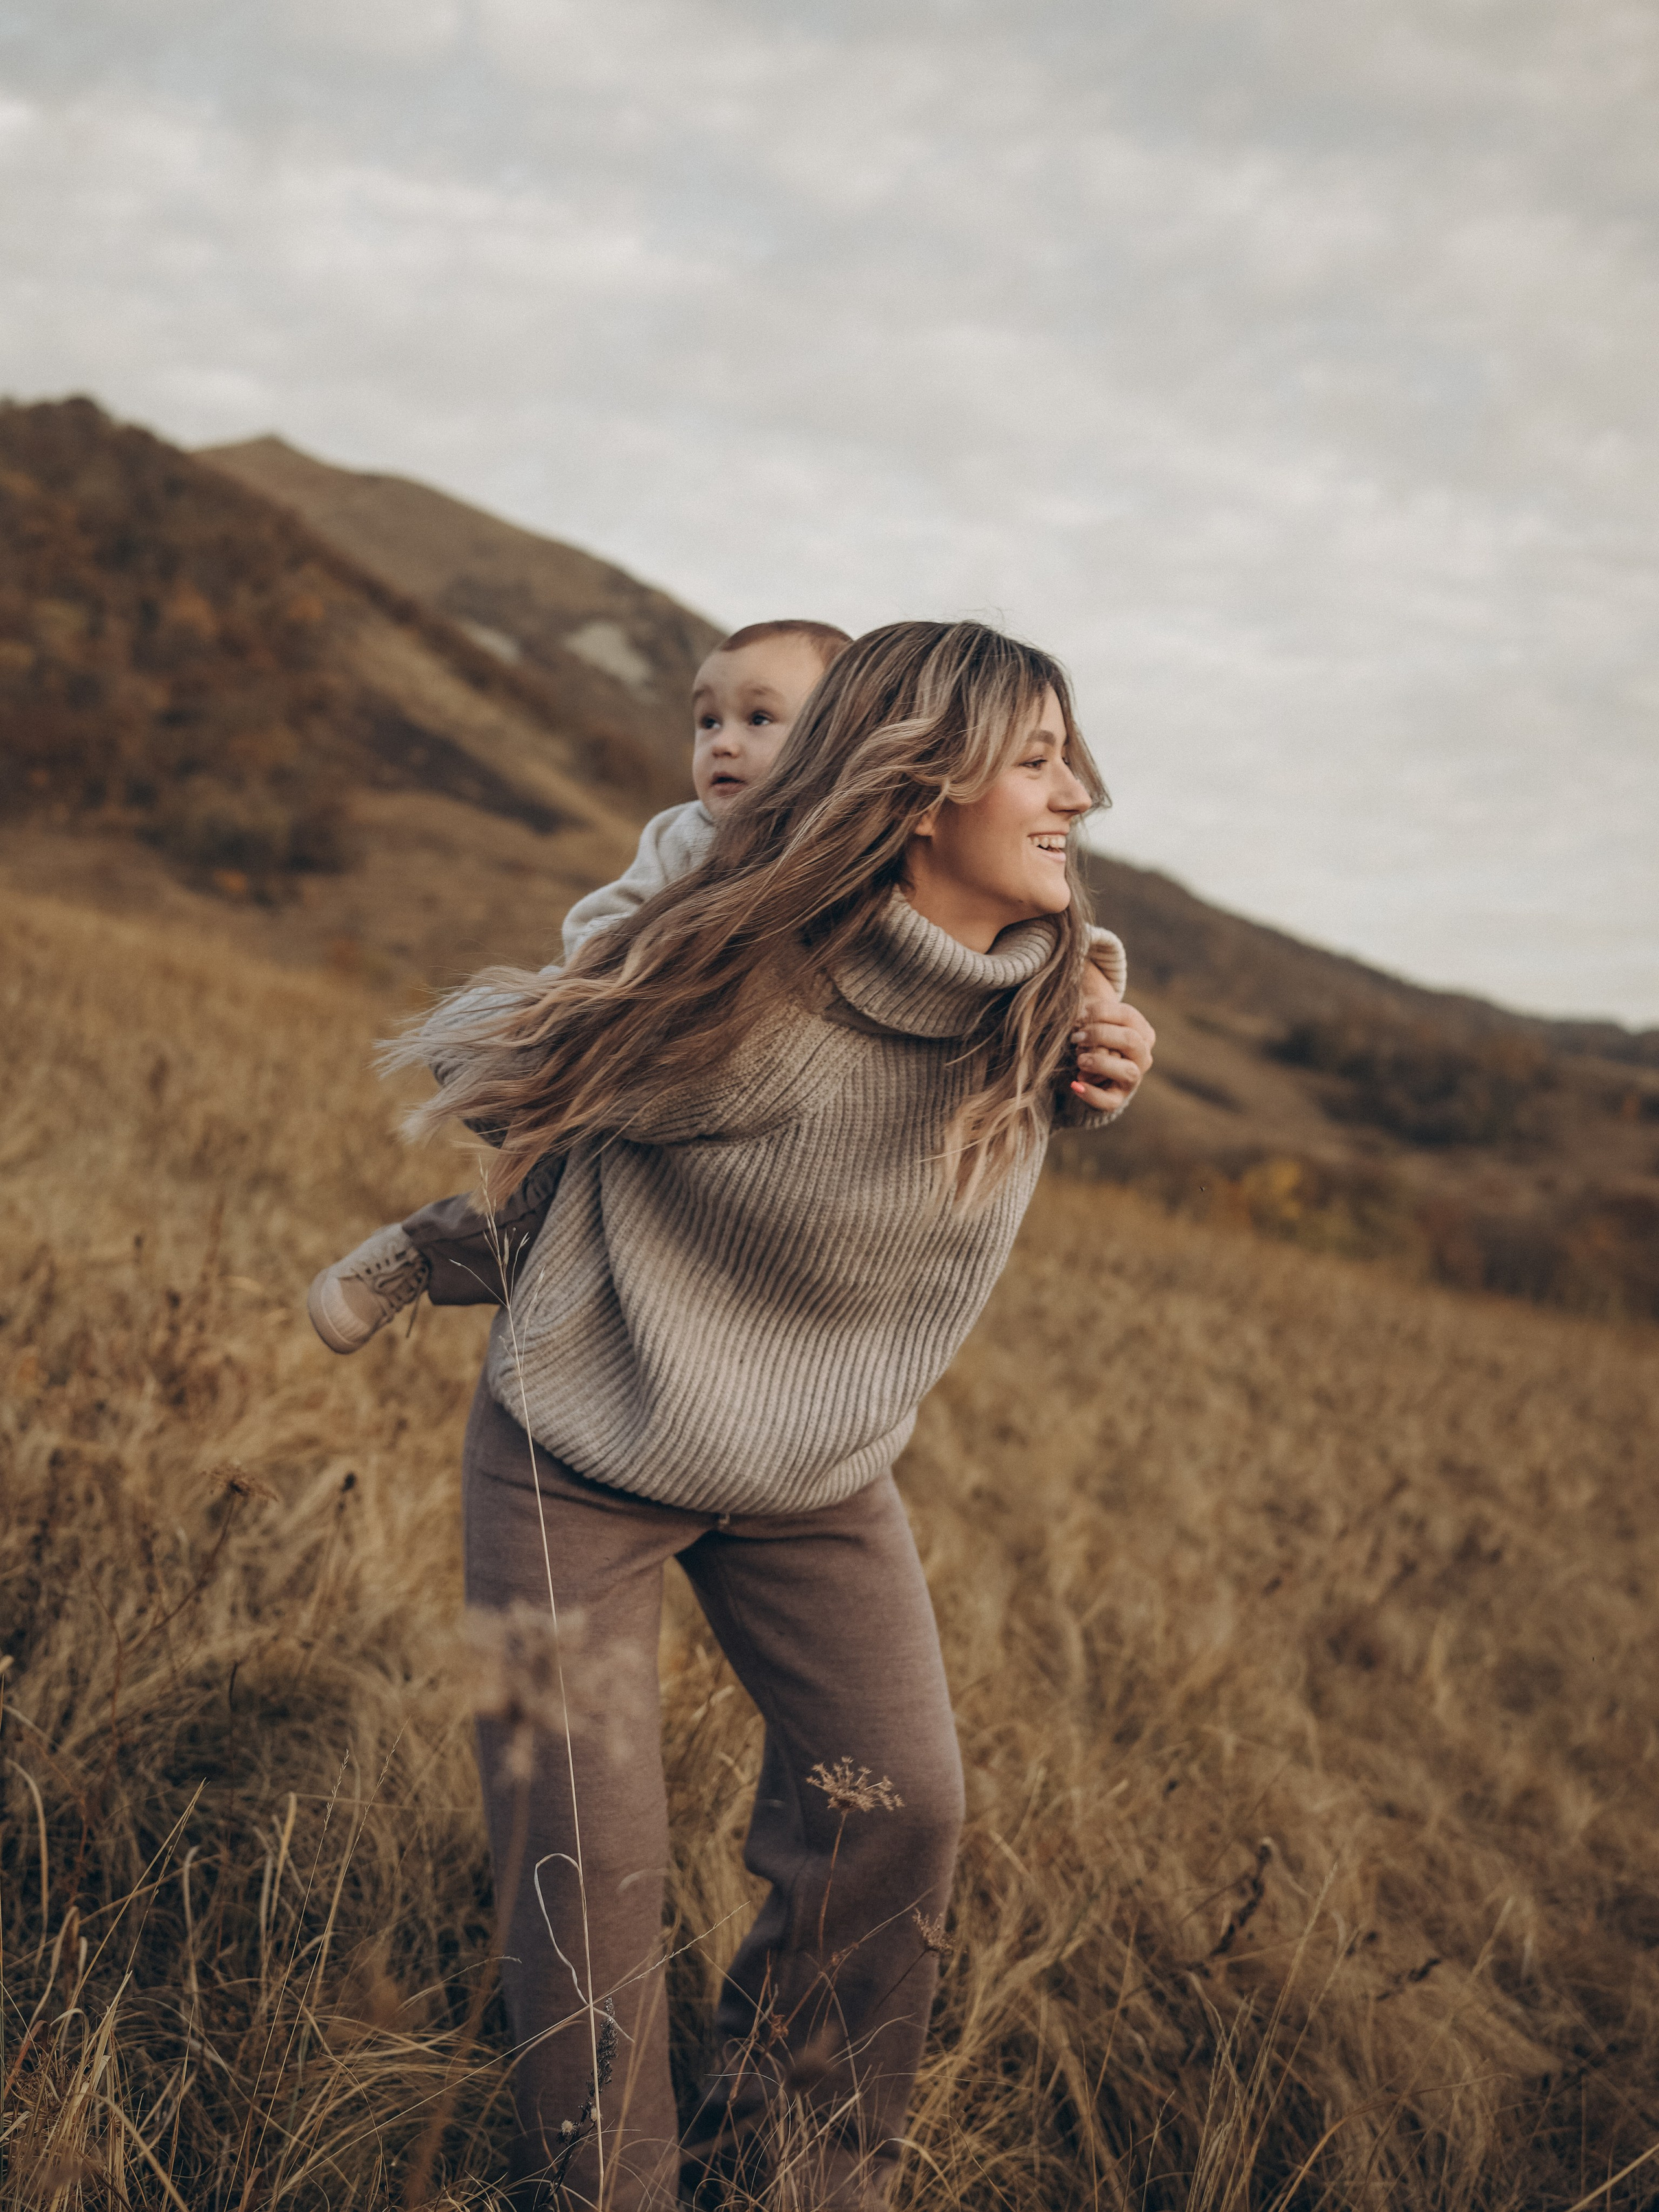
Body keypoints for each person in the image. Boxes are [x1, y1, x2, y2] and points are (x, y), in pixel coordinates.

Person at [382, 619, 1154, 2209]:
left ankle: (793, 2170)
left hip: (812, 1470)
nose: (1081, 792)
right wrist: (635, 976)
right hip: (565, 1449)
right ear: (918, 789)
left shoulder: (1047, 989)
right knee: (580, 1863)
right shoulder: (740, 983)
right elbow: (488, 1073)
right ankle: (607, 2190)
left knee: (904, 1804)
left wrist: (1117, 1047)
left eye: (1068, 755)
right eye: (1037, 759)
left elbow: (1088, 977)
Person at [307, 618, 857, 1353]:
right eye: (706, 721)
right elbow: (604, 921)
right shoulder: (685, 836)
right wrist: (630, 977)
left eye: (758, 718)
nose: (722, 742)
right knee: (567, 1181)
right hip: (628, 1028)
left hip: (754, 1117)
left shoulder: (855, 859)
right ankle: (421, 1249)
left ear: (844, 738)